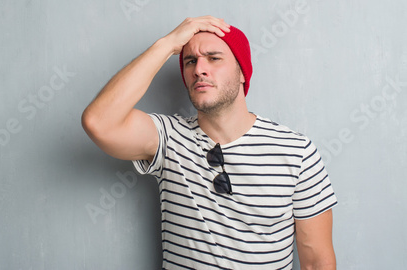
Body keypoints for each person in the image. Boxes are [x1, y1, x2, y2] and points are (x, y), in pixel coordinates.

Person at [82, 16, 337, 270]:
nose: (198, 69)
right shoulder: (169, 137)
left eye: (214, 58)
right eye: (190, 61)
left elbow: (317, 262)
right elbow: (99, 122)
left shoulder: (296, 151)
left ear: (241, 72)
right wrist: (167, 45)